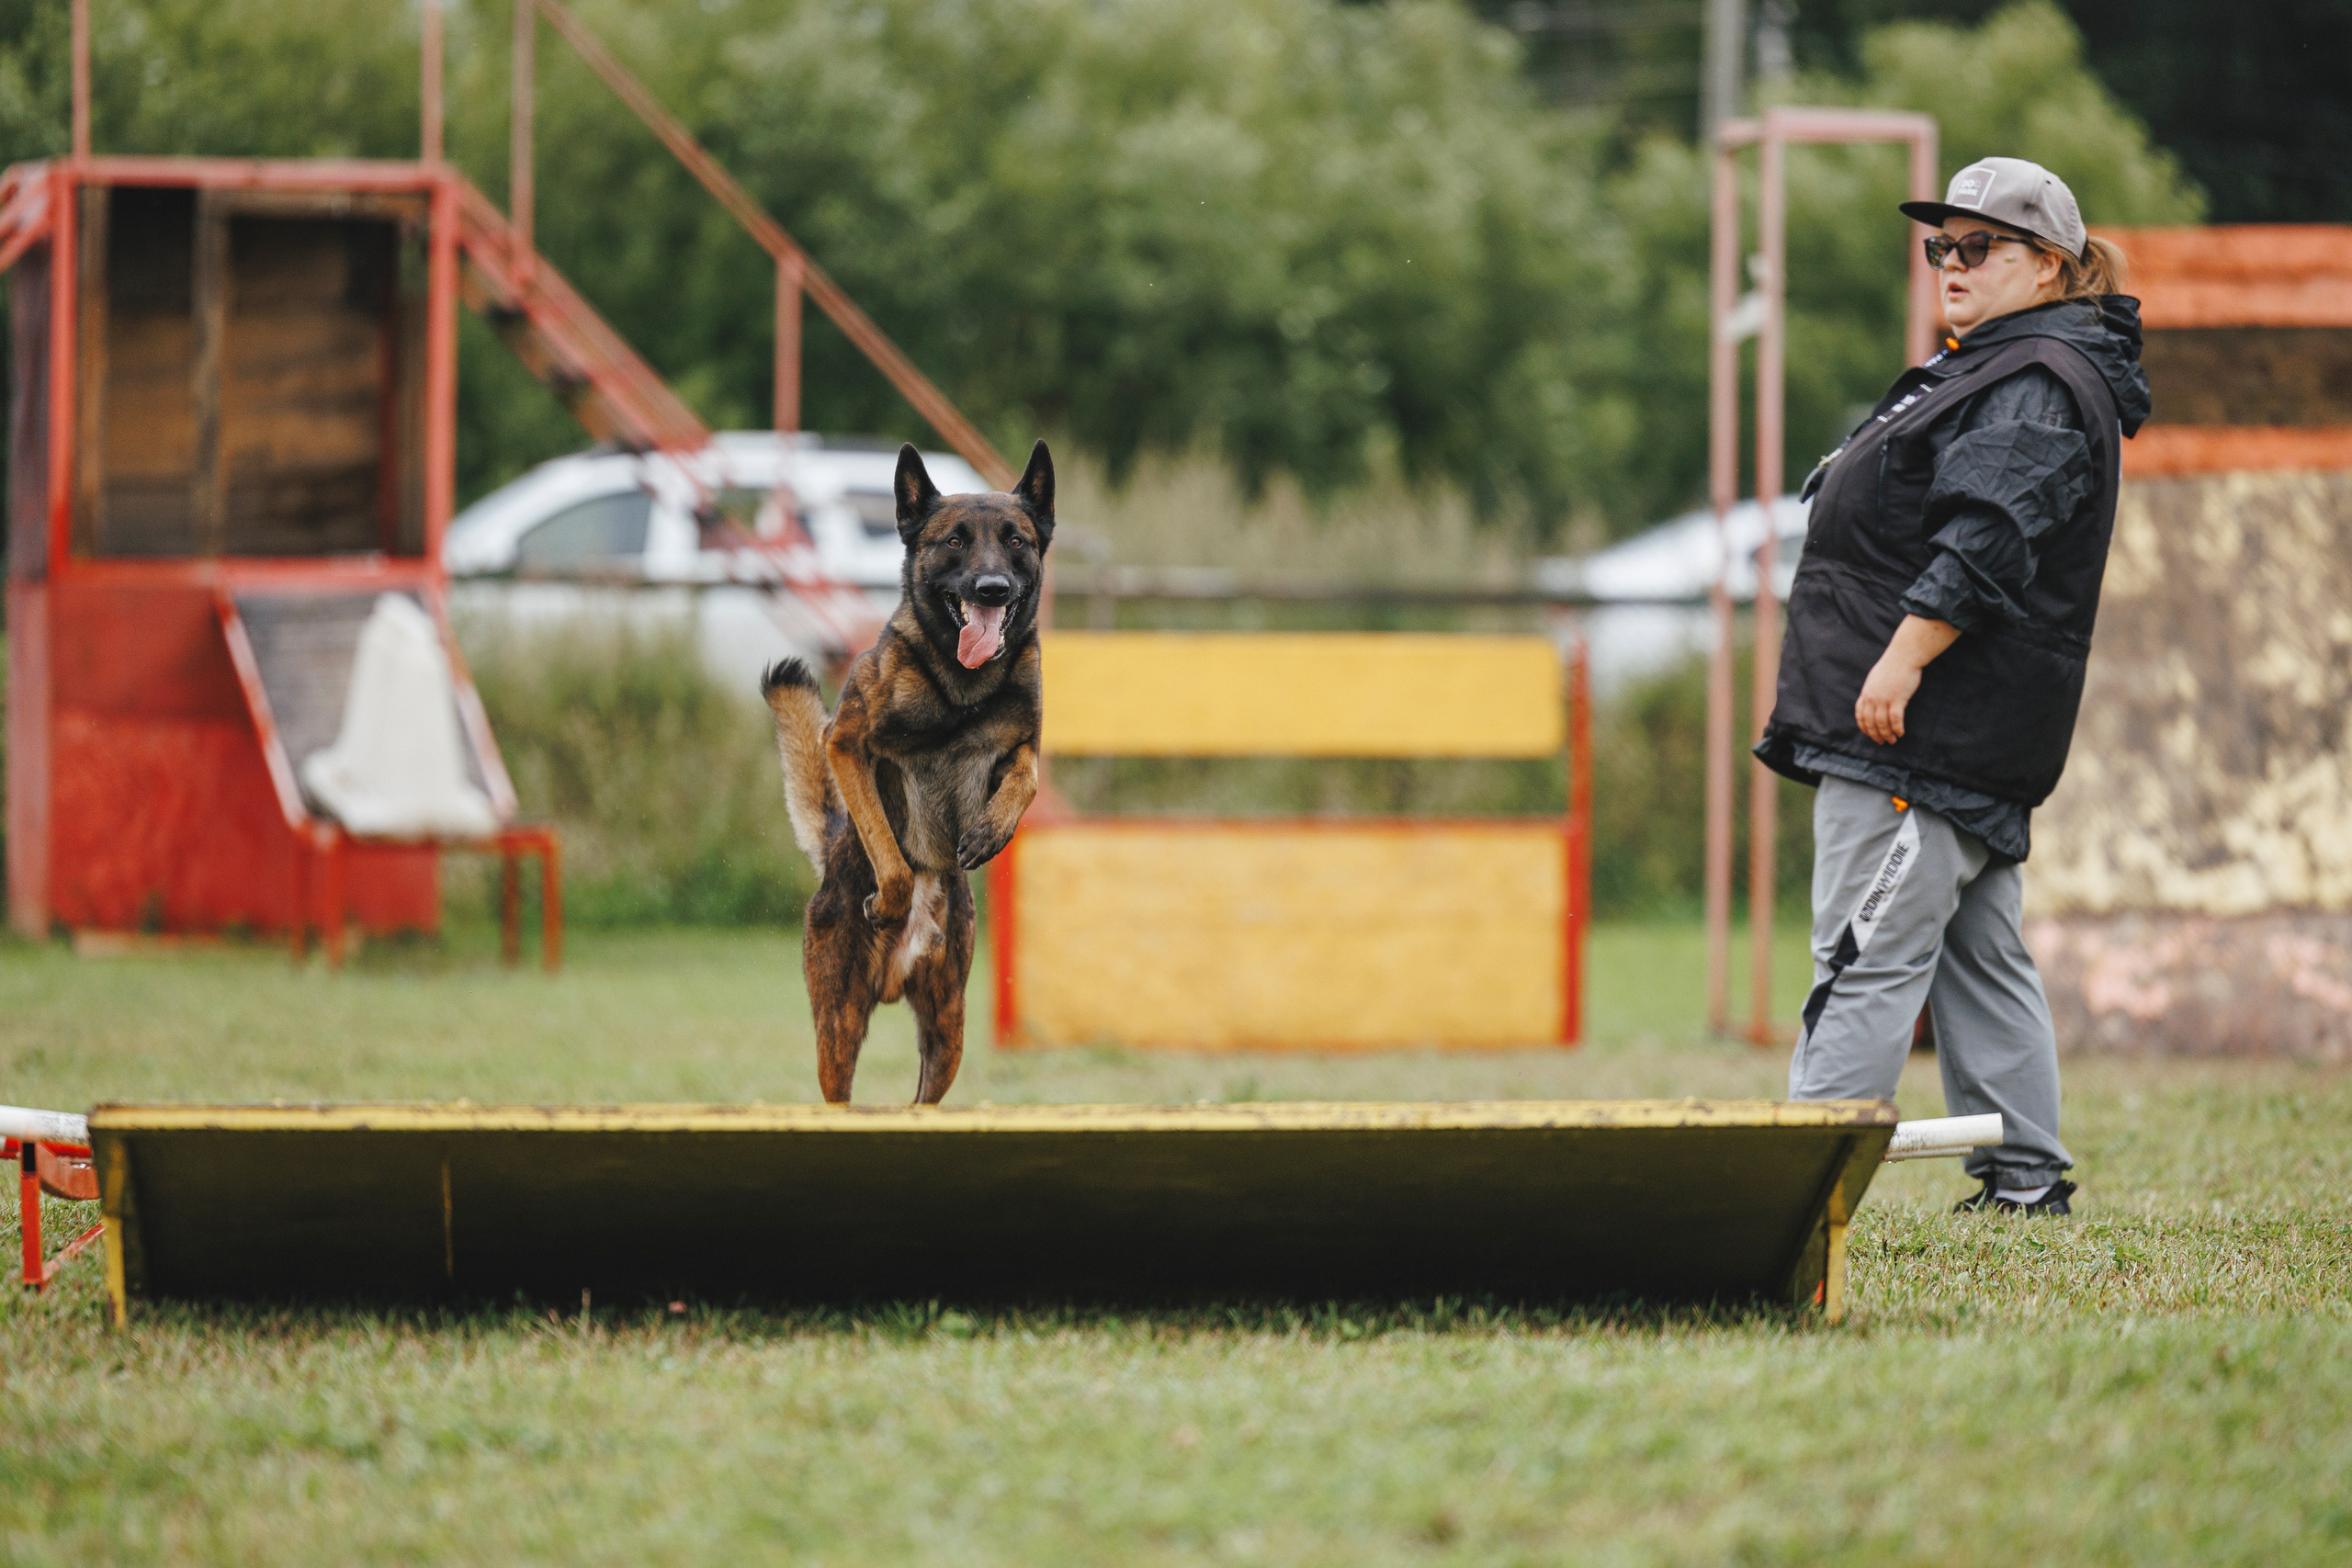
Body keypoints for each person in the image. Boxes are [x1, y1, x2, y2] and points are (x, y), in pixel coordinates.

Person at [1756, 157, 2151, 1215]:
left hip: (1919, 733)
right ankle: (2024, 1182)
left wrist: (1900, 656)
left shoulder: (2031, 380)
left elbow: (1989, 536)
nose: (1951, 263)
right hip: (1960, 736)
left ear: (2053, 268)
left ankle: (1799, 1203)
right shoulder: (2006, 364)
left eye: (1980, 246)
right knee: (1980, 955)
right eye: (1941, 245)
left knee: (1862, 953)